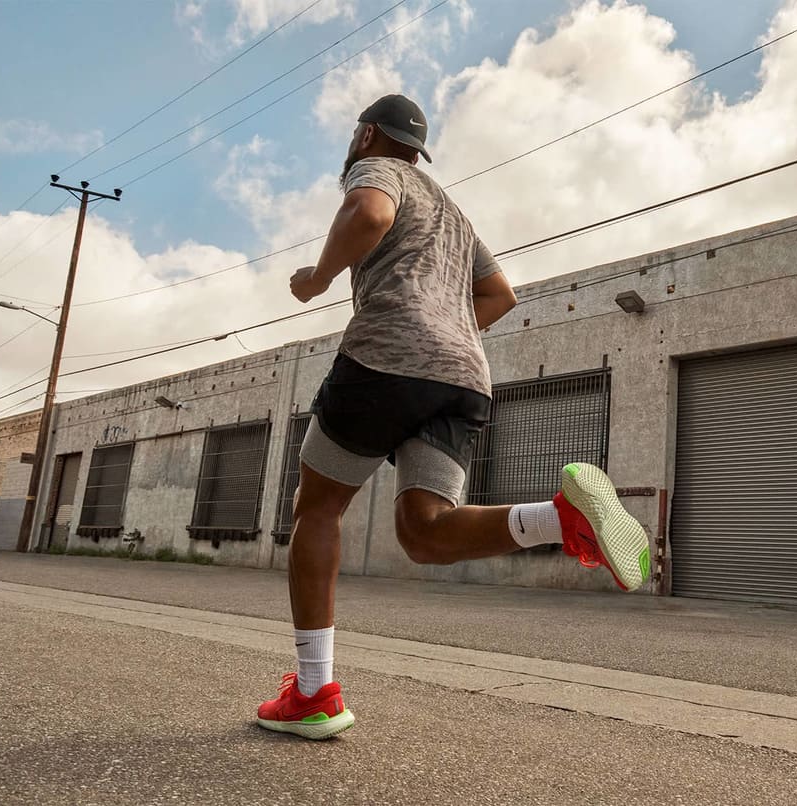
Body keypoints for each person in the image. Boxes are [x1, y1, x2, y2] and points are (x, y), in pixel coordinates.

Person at [256, 94, 652, 740]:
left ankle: (313, 694)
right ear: (420, 148)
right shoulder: (452, 211)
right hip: (464, 373)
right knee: (424, 531)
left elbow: (368, 212)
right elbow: (500, 294)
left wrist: (319, 277)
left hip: (386, 354)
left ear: (364, 136)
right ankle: (563, 517)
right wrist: (445, 332)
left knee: (318, 508)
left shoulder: (377, 170)